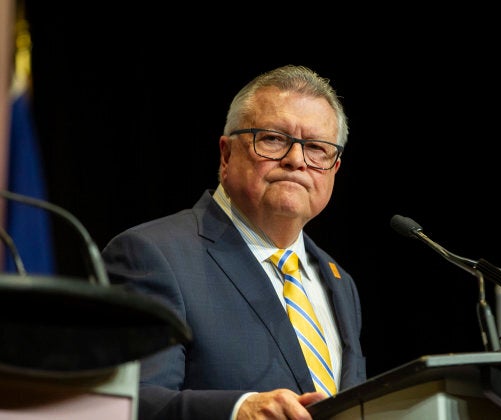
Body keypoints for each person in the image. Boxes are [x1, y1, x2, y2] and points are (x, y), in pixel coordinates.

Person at [101, 64, 366, 419]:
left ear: (334, 169)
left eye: (316, 147)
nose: (296, 160)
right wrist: (237, 410)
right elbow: (126, 402)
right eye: (273, 139)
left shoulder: (340, 282)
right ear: (226, 155)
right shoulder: (151, 255)